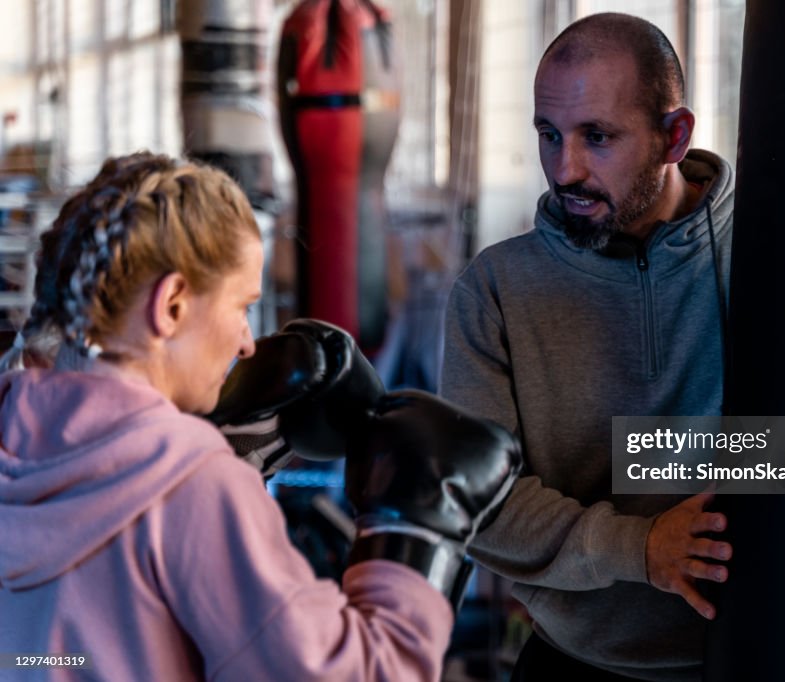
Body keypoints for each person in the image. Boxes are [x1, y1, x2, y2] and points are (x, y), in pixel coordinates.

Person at [0, 151, 520, 681]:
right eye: (241, 306)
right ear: (173, 304)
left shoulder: (14, 430)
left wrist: (224, 450)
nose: (248, 343)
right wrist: (414, 535)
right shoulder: (191, 488)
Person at [441, 13, 733, 682]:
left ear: (674, 136)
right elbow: (478, 500)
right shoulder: (496, 288)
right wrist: (638, 547)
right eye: (549, 135)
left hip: (761, 654)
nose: (564, 169)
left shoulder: (783, 251)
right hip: (578, 664)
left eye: (597, 137)